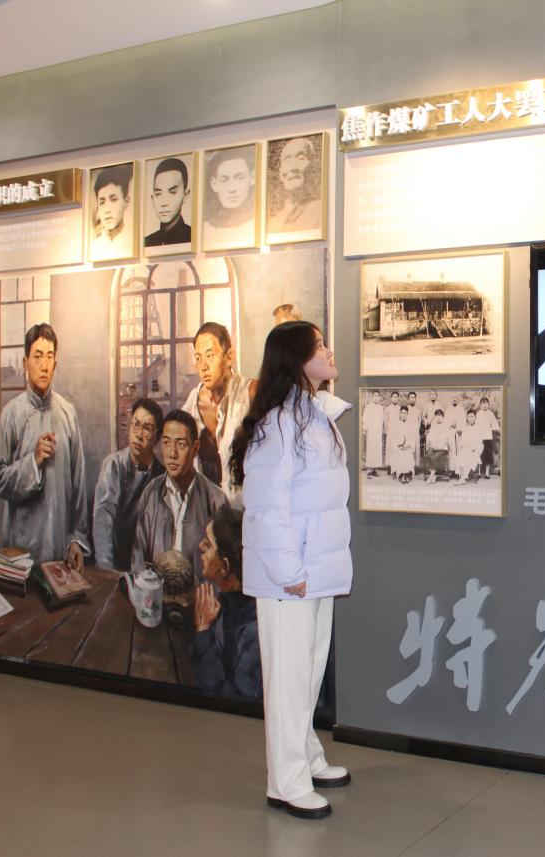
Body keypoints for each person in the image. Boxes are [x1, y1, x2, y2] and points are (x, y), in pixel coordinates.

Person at [228, 320, 352, 820]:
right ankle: (286, 782)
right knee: (288, 678)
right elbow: (265, 507)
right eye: (319, 345)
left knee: (308, 671)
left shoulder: (315, 416)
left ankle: (306, 757)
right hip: (291, 576)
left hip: (313, 571)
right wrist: (287, 570)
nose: (328, 350)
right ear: (297, 359)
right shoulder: (279, 425)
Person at [0, 324, 91, 568]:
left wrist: (76, 538)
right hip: (20, 552)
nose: (44, 365)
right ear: (25, 362)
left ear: (56, 362)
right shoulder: (11, 414)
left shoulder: (67, 413)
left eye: (49, 356)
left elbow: (78, 483)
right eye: (37, 356)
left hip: (59, 547)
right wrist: (32, 462)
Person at [131, 409, 229, 580]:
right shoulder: (151, 493)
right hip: (157, 593)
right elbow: (138, 560)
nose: (172, 454)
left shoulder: (215, 499)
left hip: (200, 595)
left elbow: (223, 571)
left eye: (181, 444)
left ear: (195, 448)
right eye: (166, 443)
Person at [180, 322, 256, 505]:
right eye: (198, 358)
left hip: (247, 511)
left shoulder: (251, 394)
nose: (203, 366)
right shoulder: (192, 405)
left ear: (229, 357)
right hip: (206, 511)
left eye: (210, 356)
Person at [191, 505, 261, 698]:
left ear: (224, 567)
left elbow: (233, 698)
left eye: (208, 544)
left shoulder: (253, 630)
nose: (200, 546)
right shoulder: (225, 602)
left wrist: (203, 631)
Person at [92, 398, 165, 571]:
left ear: (157, 436)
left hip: (146, 568)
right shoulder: (113, 466)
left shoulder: (162, 476)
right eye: (136, 425)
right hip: (113, 562)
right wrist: (107, 569)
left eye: (147, 429)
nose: (138, 435)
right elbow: (103, 519)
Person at [203, 147, 256, 248]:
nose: (232, 189)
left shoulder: (261, 222)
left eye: (240, 178)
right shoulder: (205, 229)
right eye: (224, 180)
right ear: (214, 184)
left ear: (252, 178)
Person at [268, 135, 322, 233]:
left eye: (301, 158)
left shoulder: (321, 211)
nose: (293, 168)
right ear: (280, 174)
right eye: (287, 161)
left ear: (312, 167)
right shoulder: (273, 223)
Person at [144, 157, 192, 248]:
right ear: (152, 198)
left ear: (186, 195)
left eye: (172, 192)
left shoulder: (193, 237)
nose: (164, 203)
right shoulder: (147, 243)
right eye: (158, 194)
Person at [90, 163, 135, 259]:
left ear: (126, 201)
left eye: (114, 199)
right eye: (102, 202)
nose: (107, 209)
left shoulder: (133, 242)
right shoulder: (93, 249)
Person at [423, 409, 454, 483]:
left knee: (435, 456)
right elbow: (429, 438)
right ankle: (433, 475)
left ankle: (431, 476)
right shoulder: (433, 427)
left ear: (442, 417)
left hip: (443, 449)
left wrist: (442, 446)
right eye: (437, 415)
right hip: (434, 447)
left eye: (440, 415)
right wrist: (433, 446)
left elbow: (449, 439)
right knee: (428, 455)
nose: (438, 417)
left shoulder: (446, 427)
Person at [473, 397, 501, 478]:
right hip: (480, 437)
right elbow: (476, 426)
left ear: (488, 405)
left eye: (486, 403)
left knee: (488, 455)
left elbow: (495, 426)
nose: (484, 405)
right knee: (480, 454)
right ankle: (479, 472)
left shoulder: (491, 414)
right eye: (482, 404)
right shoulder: (478, 414)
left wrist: (493, 431)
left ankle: (487, 473)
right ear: (480, 405)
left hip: (488, 437)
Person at [388, 405, 416, 484]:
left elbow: (412, 438)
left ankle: (407, 474)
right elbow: (394, 438)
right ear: (400, 414)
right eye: (402, 413)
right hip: (398, 447)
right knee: (400, 455)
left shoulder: (411, 425)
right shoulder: (396, 425)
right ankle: (401, 475)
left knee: (407, 455)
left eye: (405, 413)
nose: (403, 415)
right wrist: (399, 446)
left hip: (407, 447)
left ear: (407, 414)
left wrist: (408, 446)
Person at [361, 390, 385, 477]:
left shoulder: (381, 408)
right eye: (375, 395)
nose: (376, 397)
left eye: (377, 396)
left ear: (379, 397)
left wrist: (382, 430)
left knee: (377, 450)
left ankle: (375, 469)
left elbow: (382, 420)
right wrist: (365, 428)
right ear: (372, 397)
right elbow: (365, 419)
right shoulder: (368, 407)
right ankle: (369, 470)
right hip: (371, 432)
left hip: (378, 432)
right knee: (371, 450)